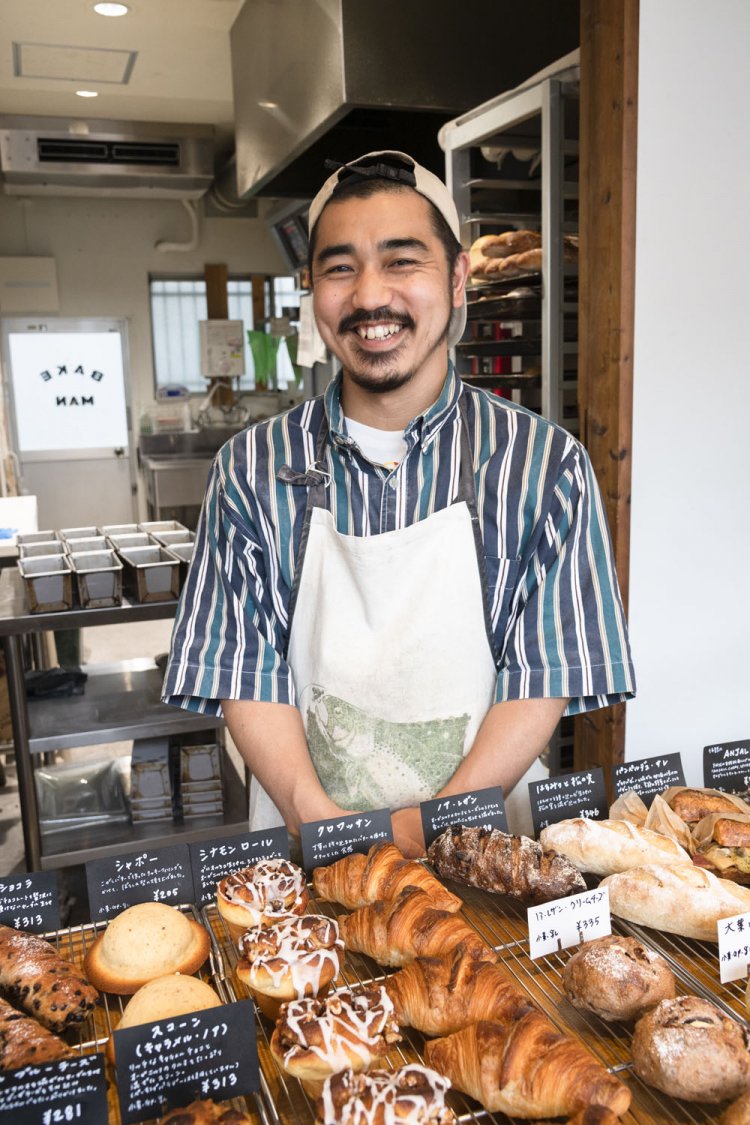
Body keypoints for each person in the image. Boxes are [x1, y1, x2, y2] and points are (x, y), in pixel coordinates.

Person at [162, 150, 635, 857]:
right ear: (313, 289)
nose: (369, 296)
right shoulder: (249, 470)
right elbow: (243, 674)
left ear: (456, 278)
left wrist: (419, 833)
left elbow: (544, 679)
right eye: (340, 267)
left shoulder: (544, 465)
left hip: (484, 854)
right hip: (306, 853)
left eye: (402, 261)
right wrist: (319, 822)